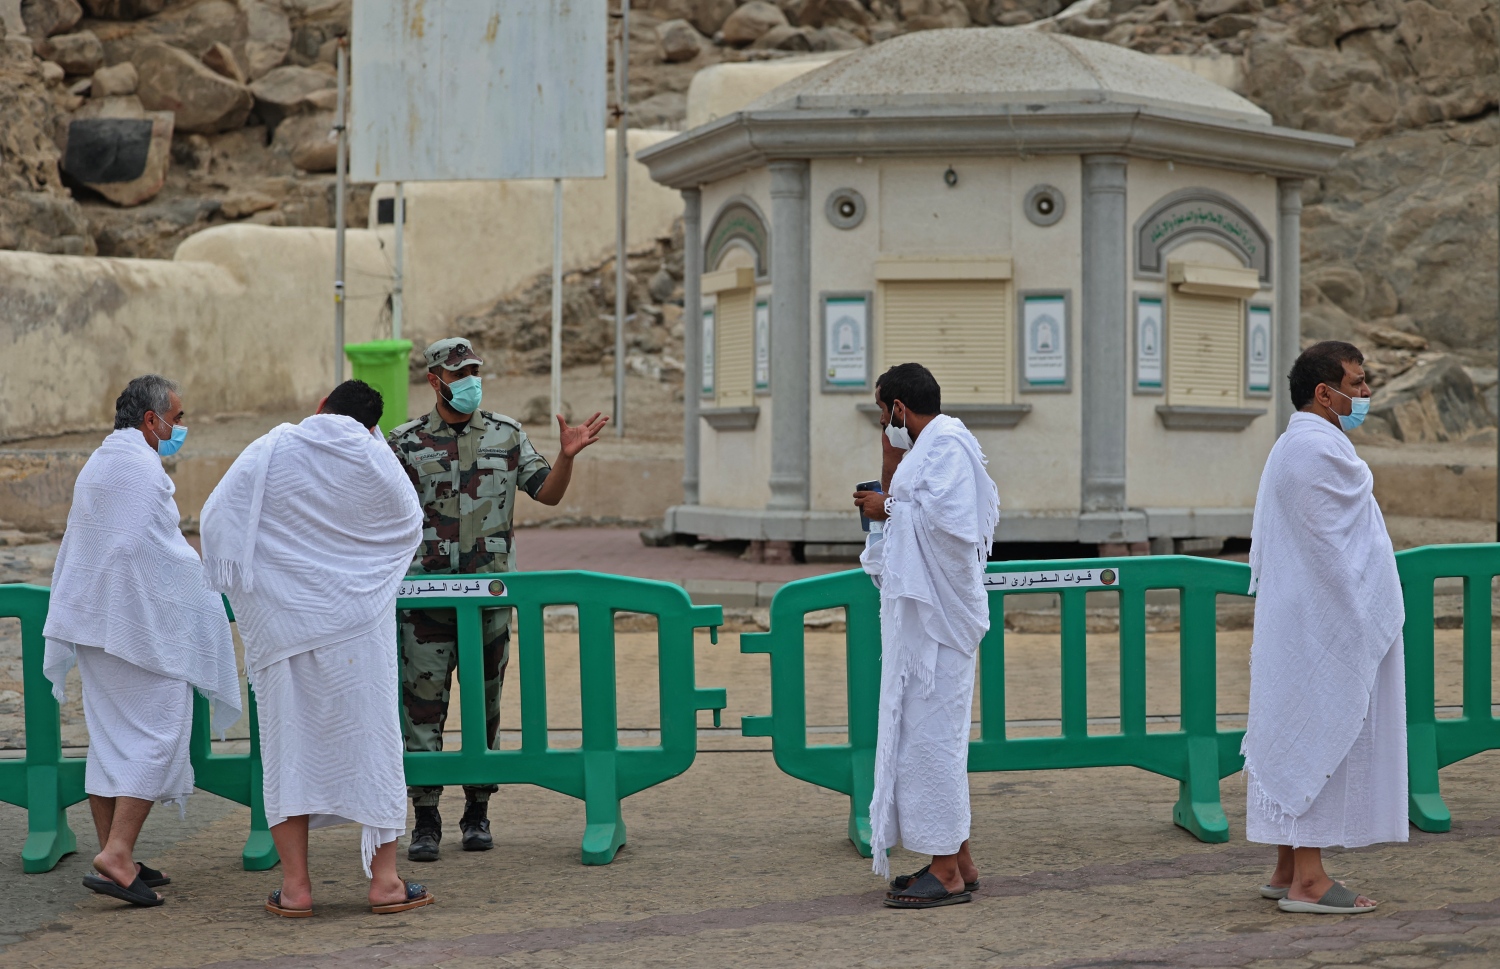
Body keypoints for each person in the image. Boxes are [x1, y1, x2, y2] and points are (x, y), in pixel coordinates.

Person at [200, 380, 432, 917]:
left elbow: (217, 518)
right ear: (373, 424)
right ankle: (386, 884)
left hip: (282, 630)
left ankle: (297, 890)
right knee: (373, 747)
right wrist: (356, 587)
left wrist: (267, 588)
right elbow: (406, 526)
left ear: (321, 407)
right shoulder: (376, 458)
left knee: (288, 753)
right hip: (358, 630)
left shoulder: (273, 446)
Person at [388, 337, 609, 860]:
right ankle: (425, 818)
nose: (468, 380)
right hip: (426, 605)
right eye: (457, 372)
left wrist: (566, 457)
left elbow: (548, 492)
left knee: (485, 709)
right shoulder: (406, 442)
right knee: (422, 712)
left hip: (489, 601)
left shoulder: (506, 435)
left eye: (473, 370)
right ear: (435, 379)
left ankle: (478, 810)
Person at [42, 375, 242, 908]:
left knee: (110, 740)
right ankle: (118, 853)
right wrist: (196, 576)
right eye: (176, 418)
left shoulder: (102, 461)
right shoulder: (139, 467)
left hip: (92, 622)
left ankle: (115, 853)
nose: (180, 427)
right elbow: (143, 550)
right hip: (131, 629)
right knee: (161, 732)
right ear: (150, 421)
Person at [1243, 341, 1405, 916]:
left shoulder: (1298, 445)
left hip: (1299, 620)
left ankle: (1289, 865)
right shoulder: (1316, 451)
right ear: (1324, 392)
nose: (1365, 395)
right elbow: (1335, 555)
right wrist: (1359, 616)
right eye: (1357, 384)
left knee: (1302, 726)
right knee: (1323, 730)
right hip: (1321, 623)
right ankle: (1308, 880)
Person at [852, 363, 1000, 909]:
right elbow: (910, 508)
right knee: (926, 740)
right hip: (923, 629)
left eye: (881, 411)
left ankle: (946, 873)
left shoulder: (949, 445)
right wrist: (889, 467)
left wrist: (886, 507)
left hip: (941, 629)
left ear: (898, 407)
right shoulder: (923, 449)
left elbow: (953, 525)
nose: (880, 421)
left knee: (933, 743)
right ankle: (959, 859)